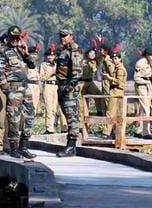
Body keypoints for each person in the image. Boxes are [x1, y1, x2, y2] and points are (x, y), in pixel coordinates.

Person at [0, 25, 37, 159]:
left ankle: (23, 146)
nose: (15, 40)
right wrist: (7, 89)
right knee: (14, 120)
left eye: (17, 37)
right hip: (13, 89)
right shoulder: (3, 52)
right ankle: (14, 148)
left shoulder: (20, 51)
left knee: (30, 116)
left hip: (25, 88)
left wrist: (25, 52)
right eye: (12, 37)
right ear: (7, 37)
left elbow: (32, 65)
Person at [55, 29, 84, 157]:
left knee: (72, 116)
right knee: (67, 116)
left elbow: (77, 71)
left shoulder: (74, 50)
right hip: (61, 86)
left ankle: (71, 146)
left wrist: (70, 86)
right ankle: (70, 145)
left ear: (71, 36)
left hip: (69, 89)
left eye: (65, 36)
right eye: (61, 36)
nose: (62, 38)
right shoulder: (64, 50)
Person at [39, 44, 67, 134]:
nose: (50, 57)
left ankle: (61, 127)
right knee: (49, 108)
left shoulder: (57, 65)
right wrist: (50, 74)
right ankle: (49, 128)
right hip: (48, 85)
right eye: (49, 55)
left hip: (56, 86)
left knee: (55, 108)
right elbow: (41, 77)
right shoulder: (44, 65)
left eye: (52, 55)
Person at [101, 51, 127, 139]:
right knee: (117, 113)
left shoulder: (119, 69)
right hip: (117, 91)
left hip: (116, 90)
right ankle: (115, 132)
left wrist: (109, 78)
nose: (114, 60)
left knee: (110, 112)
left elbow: (119, 81)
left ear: (120, 59)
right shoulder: (117, 67)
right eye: (113, 59)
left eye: (116, 58)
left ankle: (106, 132)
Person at [78, 46, 106, 120]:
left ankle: (99, 112)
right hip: (81, 83)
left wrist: (100, 43)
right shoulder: (82, 61)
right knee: (82, 102)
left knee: (98, 95)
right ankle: (82, 121)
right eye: (91, 53)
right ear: (87, 54)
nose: (93, 54)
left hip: (90, 82)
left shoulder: (95, 61)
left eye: (94, 53)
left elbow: (102, 57)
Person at [133, 49, 152, 138]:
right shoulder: (140, 63)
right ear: (147, 54)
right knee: (146, 109)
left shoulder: (148, 63)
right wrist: (146, 83)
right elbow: (136, 78)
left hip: (147, 85)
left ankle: (138, 130)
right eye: (151, 55)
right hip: (141, 86)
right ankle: (146, 132)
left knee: (141, 109)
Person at [26, 46, 41, 116]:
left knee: (35, 104)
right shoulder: (27, 64)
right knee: (29, 104)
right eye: (32, 54)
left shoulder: (36, 65)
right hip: (29, 85)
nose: (34, 56)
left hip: (36, 85)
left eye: (35, 54)